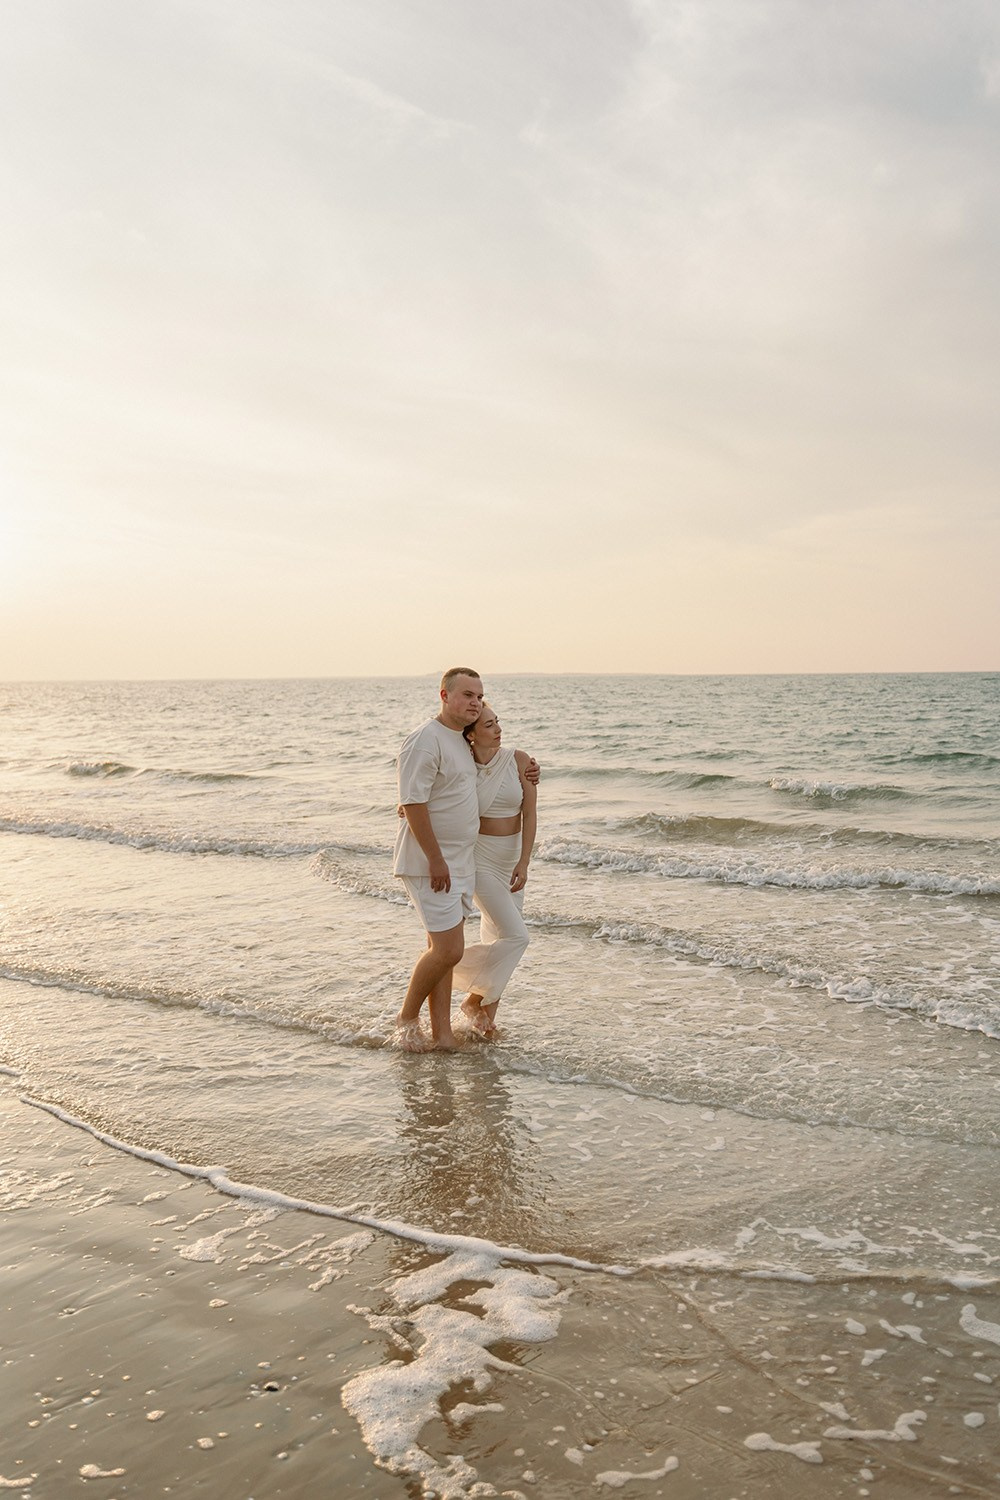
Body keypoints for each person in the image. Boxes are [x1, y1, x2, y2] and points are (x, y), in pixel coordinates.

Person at [391, 669, 539, 1050]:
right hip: (435, 863)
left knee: (444, 950)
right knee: (448, 951)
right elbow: (414, 799)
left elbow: (442, 791)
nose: (474, 702)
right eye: (467, 695)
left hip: (460, 861)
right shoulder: (425, 740)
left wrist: (528, 769)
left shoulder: (460, 742)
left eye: (480, 696)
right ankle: (407, 1020)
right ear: (444, 694)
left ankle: (442, 1034)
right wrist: (435, 857)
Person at [453, 702, 537, 1038]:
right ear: (471, 735)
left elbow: (529, 815)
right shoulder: (461, 767)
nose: (499, 729)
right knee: (517, 937)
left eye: (498, 722)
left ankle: (483, 1025)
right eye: (489, 725)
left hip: (511, 859)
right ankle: (466, 994)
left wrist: (524, 862)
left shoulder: (519, 760)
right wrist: (407, 806)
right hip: (479, 859)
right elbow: (433, 797)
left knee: (498, 938)